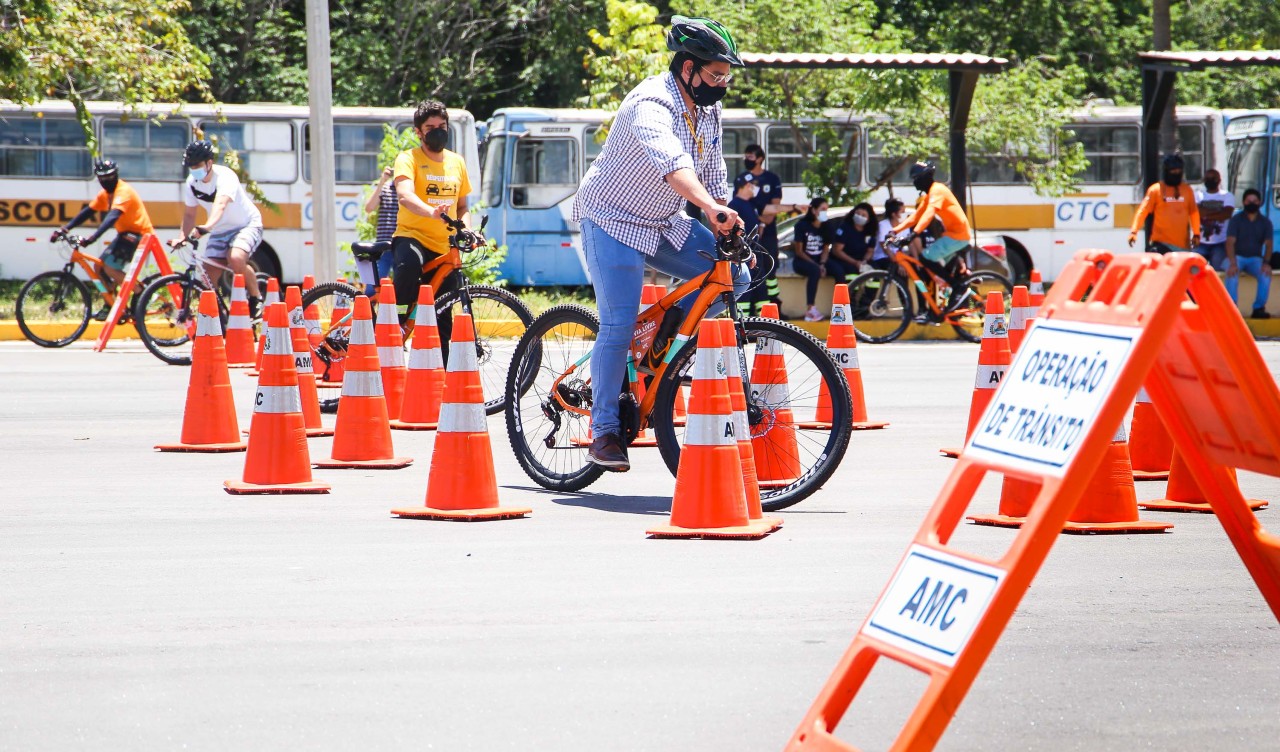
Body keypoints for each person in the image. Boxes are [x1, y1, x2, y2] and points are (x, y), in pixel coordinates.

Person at [571, 14, 750, 471]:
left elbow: (713, 176)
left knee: (737, 277)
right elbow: (672, 163)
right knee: (618, 323)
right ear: (687, 69)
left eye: (726, 76)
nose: (722, 84)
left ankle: (664, 347)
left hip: (662, 222)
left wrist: (725, 215)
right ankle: (605, 429)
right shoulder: (651, 103)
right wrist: (709, 210)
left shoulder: (708, 109)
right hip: (610, 219)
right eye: (715, 74)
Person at [391, 100, 472, 339]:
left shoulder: (457, 162)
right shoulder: (408, 158)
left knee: (442, 315)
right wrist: (432, 212)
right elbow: (404, 195)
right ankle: (395, 321)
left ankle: (447, 374)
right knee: (408, 266)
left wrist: (468, 230)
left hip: (443, 247)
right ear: (418, 132)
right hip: (412, 237)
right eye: (430, 127)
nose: (438, 131)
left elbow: (463, 206)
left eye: (442, 126)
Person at [53, 159, 155, 319]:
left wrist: (93, 238)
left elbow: (112, 217)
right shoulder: (106, 194)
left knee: (109, 267)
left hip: (140, 235)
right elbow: (88, 212)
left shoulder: (123, 191)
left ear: (116, 175)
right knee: (99, 267)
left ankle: (139, 291)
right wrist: (64, 229)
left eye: (109, 177)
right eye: (102, 178)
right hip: (125, 235)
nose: (106, 181)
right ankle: (110, 304)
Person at [172, 139, 264, 317]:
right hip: (220, 229)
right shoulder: (192, 183)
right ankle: (217, 316)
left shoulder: (225, 177)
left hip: (246, 224)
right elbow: (190, 214)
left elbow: (220, 204)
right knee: (207, 275)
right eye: (190, 166)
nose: (194, 169)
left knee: (235, 258)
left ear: (209, 163)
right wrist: (182, 237)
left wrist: (207, 226)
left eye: (197, 165)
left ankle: (256, 298)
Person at [892, 161, 971, 319]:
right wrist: (894, 231)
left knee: (925, 257)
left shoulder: (937, 190)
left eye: (916, 178)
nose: (914, 182)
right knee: (927, 267)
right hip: (951, 236)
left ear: (925, 177)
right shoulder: (930, 195)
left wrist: (913, 234)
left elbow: (929, 214)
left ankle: (956, 287)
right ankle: (939, 309)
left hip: (958, 236)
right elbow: (916, 216)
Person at [736, 143, 788, 313]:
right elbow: (743, 206)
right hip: (750, 234)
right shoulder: (742, 180)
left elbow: (773, 207)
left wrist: (763, 224)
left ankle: (773, 306)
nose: (746, 160)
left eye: (750, 157)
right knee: (752, 272)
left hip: (766, 233)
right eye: (746, 156)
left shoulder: (772, 179)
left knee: (769, 269)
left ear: (760, 159)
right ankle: (756, 310)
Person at [792, 198, 851, 322]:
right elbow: (799, 251)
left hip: (820, 260)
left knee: (839, 270)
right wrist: (817, 265)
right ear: (813, 210)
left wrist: (823, 264)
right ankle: (810, 309)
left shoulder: (827, 226)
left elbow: (825, 249)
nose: (825, 212)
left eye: (826, 209)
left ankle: (841, 307)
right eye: (822, 209)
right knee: (815, 271)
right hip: (803, 261)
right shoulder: (801, 226)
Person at [1128, 153, 1200, 254]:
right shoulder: (1155, 190)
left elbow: (1194, 213)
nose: (1176, 173)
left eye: (1179, 170)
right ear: (1166, 171)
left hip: (1183, 247)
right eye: (1173, 170)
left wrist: (1196, 234)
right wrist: (1134, 231)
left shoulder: (1187, 190)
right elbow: (1143, 211)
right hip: (1161, 244)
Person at [1223, 189, 1274, 319]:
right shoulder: (1236, 220)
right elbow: (1230, 243)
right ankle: (1232, 307)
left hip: (1255, 259)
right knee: (1231, 273)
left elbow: (1269, 245)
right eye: (1249, 201)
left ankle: (1258, 308)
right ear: (1244, 202)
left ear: (1260, 202)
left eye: (1255, 201)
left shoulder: (1265, 222)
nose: (1252, 203)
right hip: (1236, 257)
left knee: (1265, 275)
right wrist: (1233, 263)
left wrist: (1266, 263)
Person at [362, 164, 399, 296]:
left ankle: (398, 314)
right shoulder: (385, 188)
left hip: (401, 242)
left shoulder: (410, 190)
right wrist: (382, 181)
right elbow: (369, 208)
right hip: (383, 244)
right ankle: (367, 310)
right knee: (375, 281)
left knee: (401, 284)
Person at [728, 173, 760, 315]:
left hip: (753, 253)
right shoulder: (734, 205)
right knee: (743, 288)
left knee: (759, 289)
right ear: (747, 185)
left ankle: (759, 320)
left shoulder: (750, 204)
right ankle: (743, 322)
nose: (755, 188)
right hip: (742, 256)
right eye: (753, 184)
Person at [1195, 168, 1234, 269]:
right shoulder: (1198, 195)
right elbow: (1197, 212)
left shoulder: (1227, 196)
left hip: (1220, 243)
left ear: (1219, 180)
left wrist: (1205, 215)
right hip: (1200, 242)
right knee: (1195, 271)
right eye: (1207, 178)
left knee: (1217, 272)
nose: (1210, 180)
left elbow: (1226, 214)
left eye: (1213, 178)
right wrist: (1218, 212)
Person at [831, 202, 877, 272]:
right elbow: (837, 250)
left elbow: (870, 251)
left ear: (869, 219)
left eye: (863, 215)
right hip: (844, 260)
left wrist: (864, 261)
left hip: (861, 261)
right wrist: (855, 262)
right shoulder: (845, 228)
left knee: (874, 270)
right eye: (858, 214)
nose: (860, 216)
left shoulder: (870, 232)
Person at [870, 197, 905, 272]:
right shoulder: (883, 225)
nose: (904, 215)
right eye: (902, 212)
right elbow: (885, 246)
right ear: (894, 214)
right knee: (895, 269)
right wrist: (897, 263)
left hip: (900, 258)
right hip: (883, 258)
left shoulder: (906, 227)